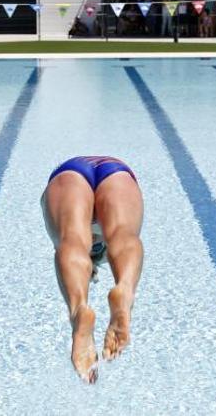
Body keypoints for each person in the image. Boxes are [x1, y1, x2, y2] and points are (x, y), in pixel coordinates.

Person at [41, 156, 144, 383]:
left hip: (73, 174)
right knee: (124, 234)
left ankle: (79, 308)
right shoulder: (95, 254)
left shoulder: (92, 255)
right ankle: (124, 289)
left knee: (71, 240)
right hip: (111, 171)